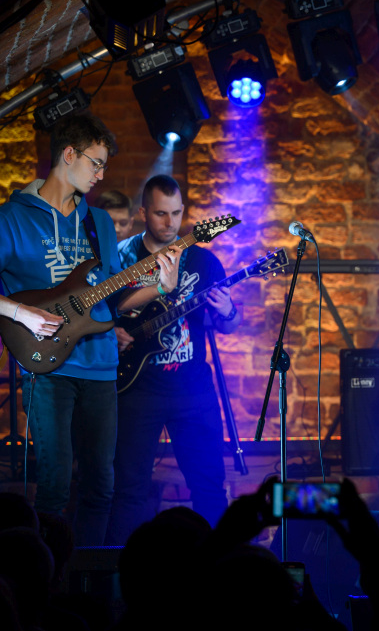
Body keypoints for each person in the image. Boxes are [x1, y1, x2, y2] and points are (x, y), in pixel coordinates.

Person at [0, 113, 179, 547]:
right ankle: (49, 578)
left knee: (101, 487)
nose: (101, 174)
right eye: (96, 163)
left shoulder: (97, 221)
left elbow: (111, 301)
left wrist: (160, 286)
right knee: (55, 486)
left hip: (100, 365)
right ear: (69, 154)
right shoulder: (12, 218)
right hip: (47, 367)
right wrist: (22, 313)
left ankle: (89, 578)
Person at [105, 174, 241, 544]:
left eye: (177, 213)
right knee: (128, 490)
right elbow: (96, 312)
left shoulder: (203, 260)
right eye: (161, 214)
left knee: (209, 485)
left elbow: (229, 325)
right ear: (143, 213)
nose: (170, 223)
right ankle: (119, 572)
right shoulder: (122, 257)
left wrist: (228, 311)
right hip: (136, 388)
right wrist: (108, 332)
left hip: (193, 390)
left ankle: (216, 565)